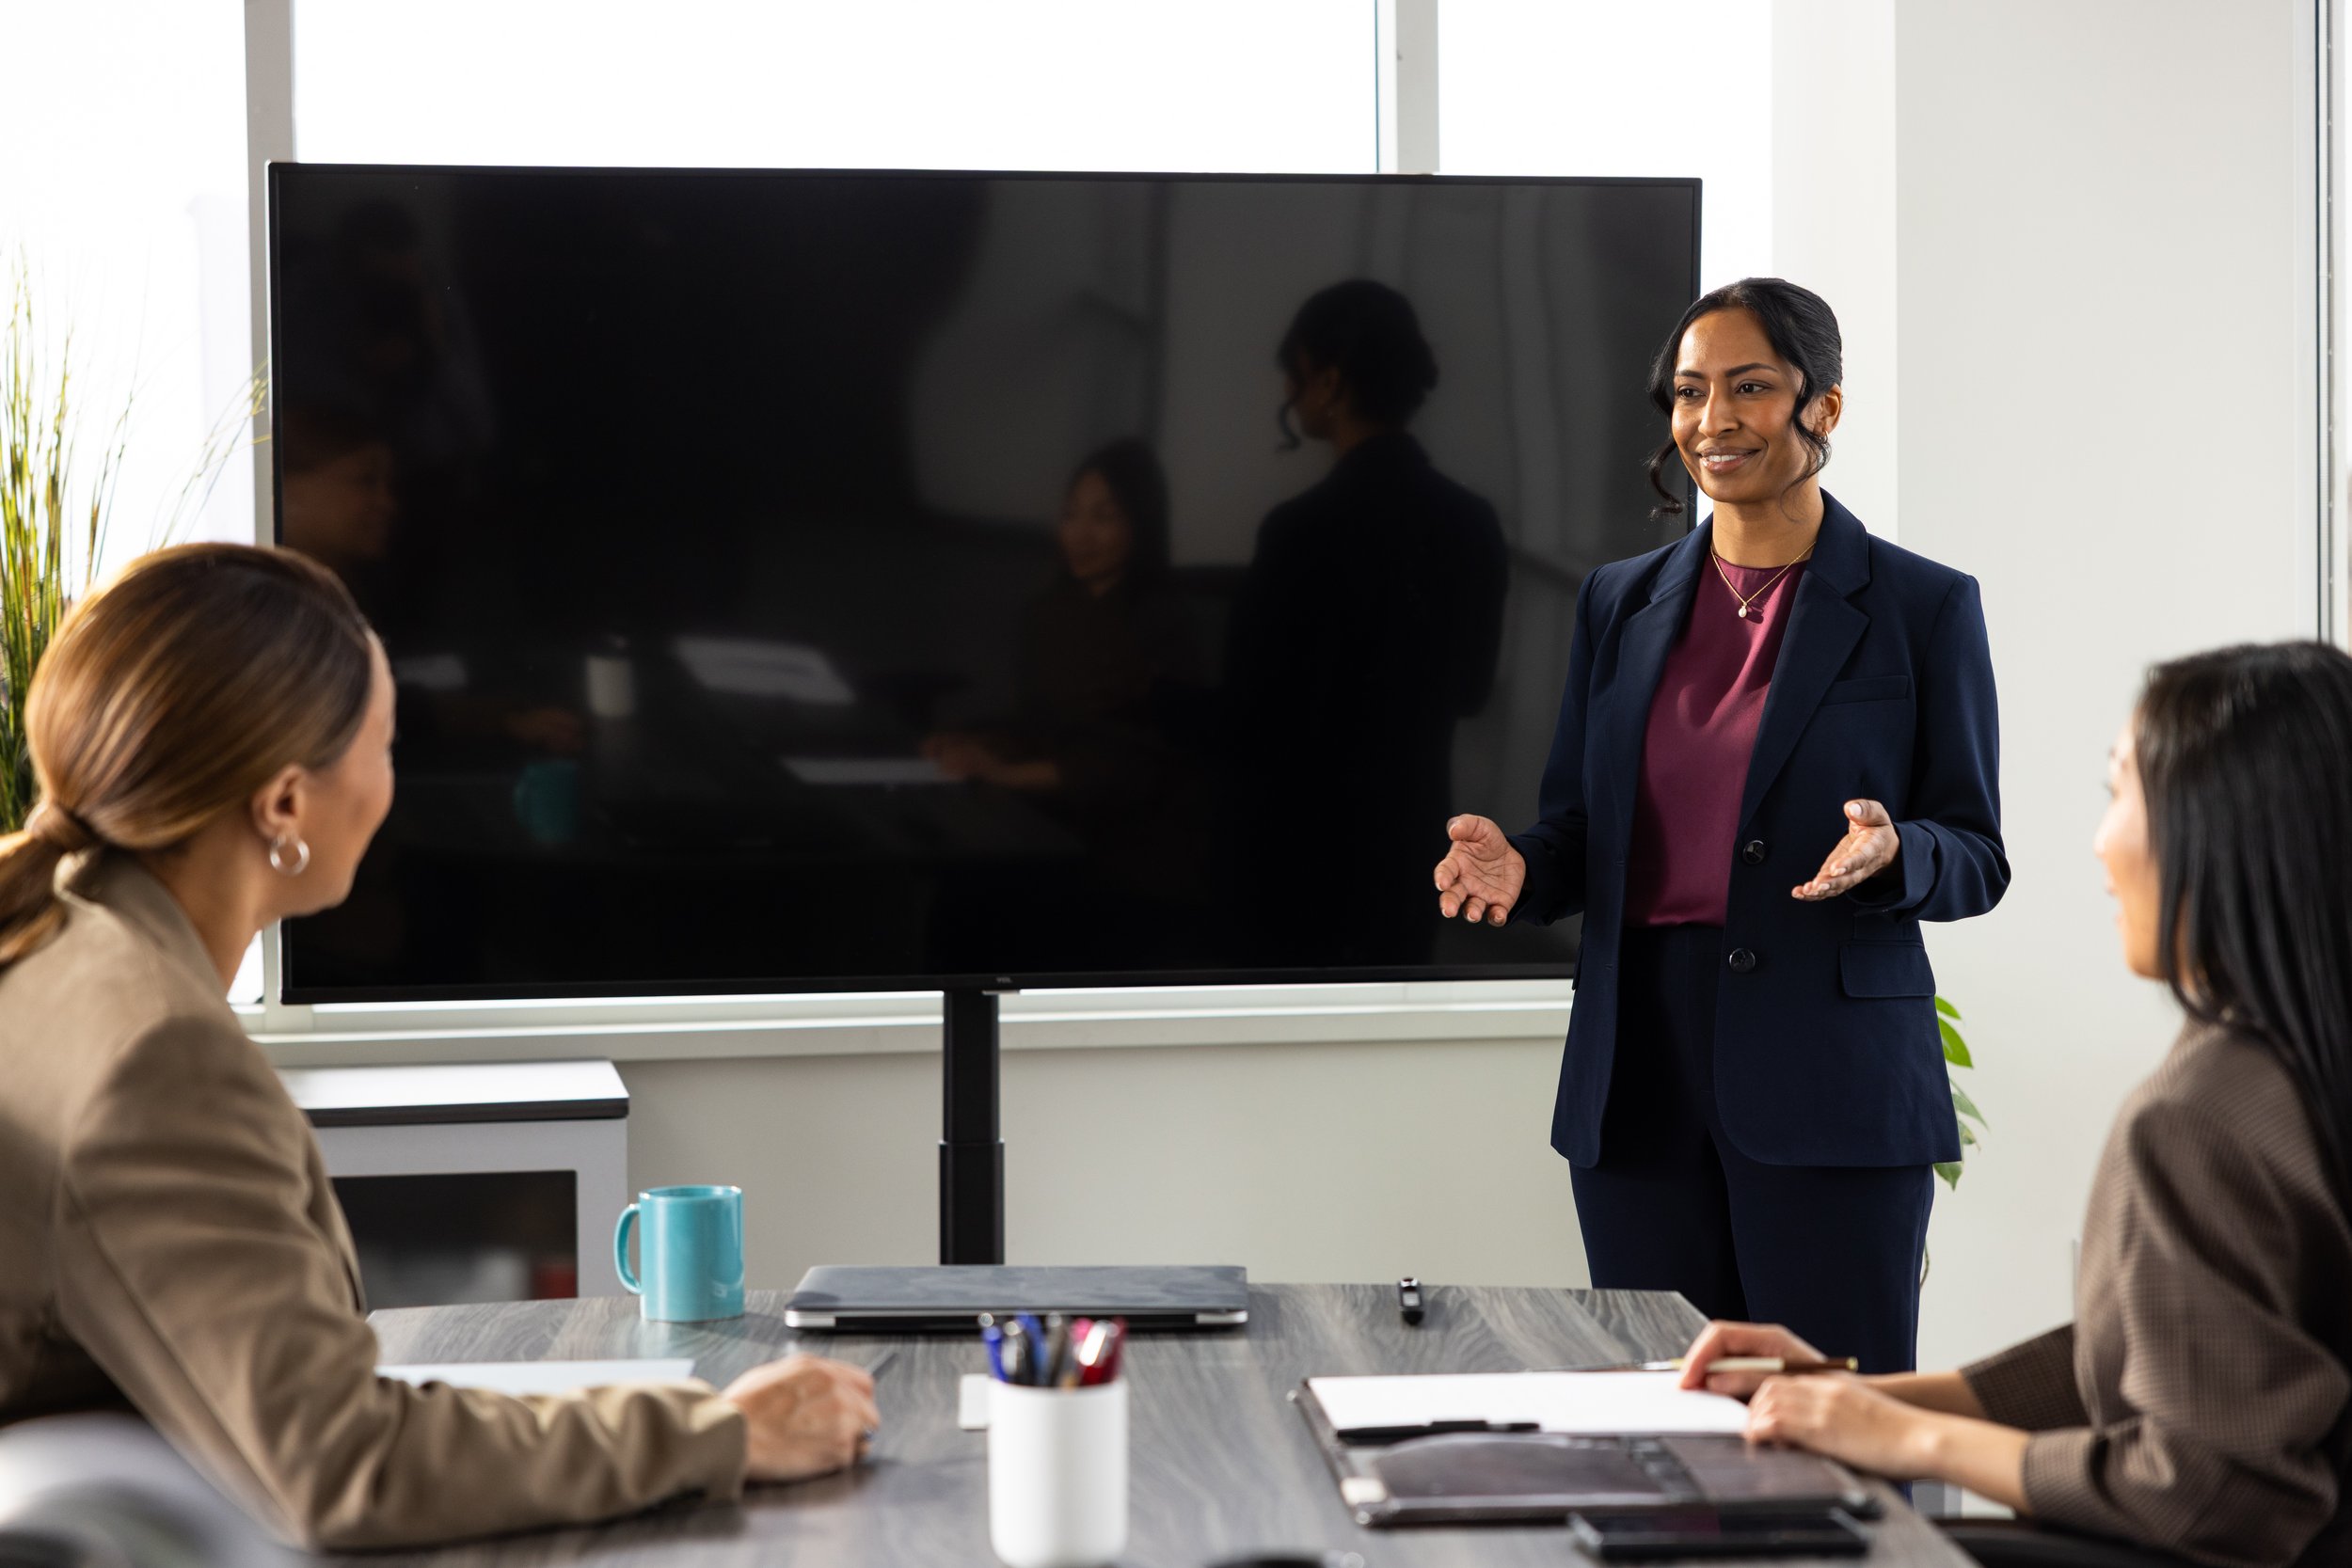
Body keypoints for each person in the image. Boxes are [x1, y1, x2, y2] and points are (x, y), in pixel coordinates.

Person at [0, 545, 879, 1551]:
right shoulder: (153, 1052)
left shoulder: (54, 937)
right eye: (380, 743)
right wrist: (713, 1430)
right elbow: (341, 1462)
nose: (389, 779)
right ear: (284, 804)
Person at [1433, 277, 2007, 1375]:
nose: (1711, 419)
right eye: (1689, 392)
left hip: (1830, 1078)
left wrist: (1897, 852)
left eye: (1749, 387)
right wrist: (1522, 865)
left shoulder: (1921, 605)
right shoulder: (1617, 601)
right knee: (1665, 1418)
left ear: (1821, 407)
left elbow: (1974, 849)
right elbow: (1578, 827)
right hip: (1638, 1072)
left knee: (1836, 1420)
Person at [1685, 642, 2352, 1568]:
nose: (2099, 839)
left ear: (2222, 827)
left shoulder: (2198, 1114)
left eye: (2121, 790)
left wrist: (1905, 1438)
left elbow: (2213, 1491)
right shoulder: (2293, 1065)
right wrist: (1864, 1400)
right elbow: (2179, 1351)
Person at [1230, 278, 1508, 967]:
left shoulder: (1299, 531)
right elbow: (1472, 690)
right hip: (1414, 842)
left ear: (1327, 381)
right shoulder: (1472, 522)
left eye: (1294, 378)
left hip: (1297, 849)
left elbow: (1254, 713)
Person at [924, 439, 1211, 962]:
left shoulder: (1163, 622)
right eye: (1070, 515)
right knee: (955, 895)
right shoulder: (1048, 613)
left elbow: (1124, 770)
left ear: (1140, 524)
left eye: (1104, 517)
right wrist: (976, 742)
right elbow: (1038, 725)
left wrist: (1002, 774)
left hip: (1132, 851)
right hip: (1053, 823)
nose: (1081, 535)